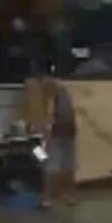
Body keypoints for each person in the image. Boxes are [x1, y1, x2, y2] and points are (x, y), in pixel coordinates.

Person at [39, 77, 77, 209]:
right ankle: (70, 197)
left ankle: (47, 198)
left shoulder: (53, 98)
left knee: (50, 167)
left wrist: (43, 141)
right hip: (69, 134)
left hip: (56, 136)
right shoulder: (66, 94)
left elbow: (49, 123)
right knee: (68, 166)